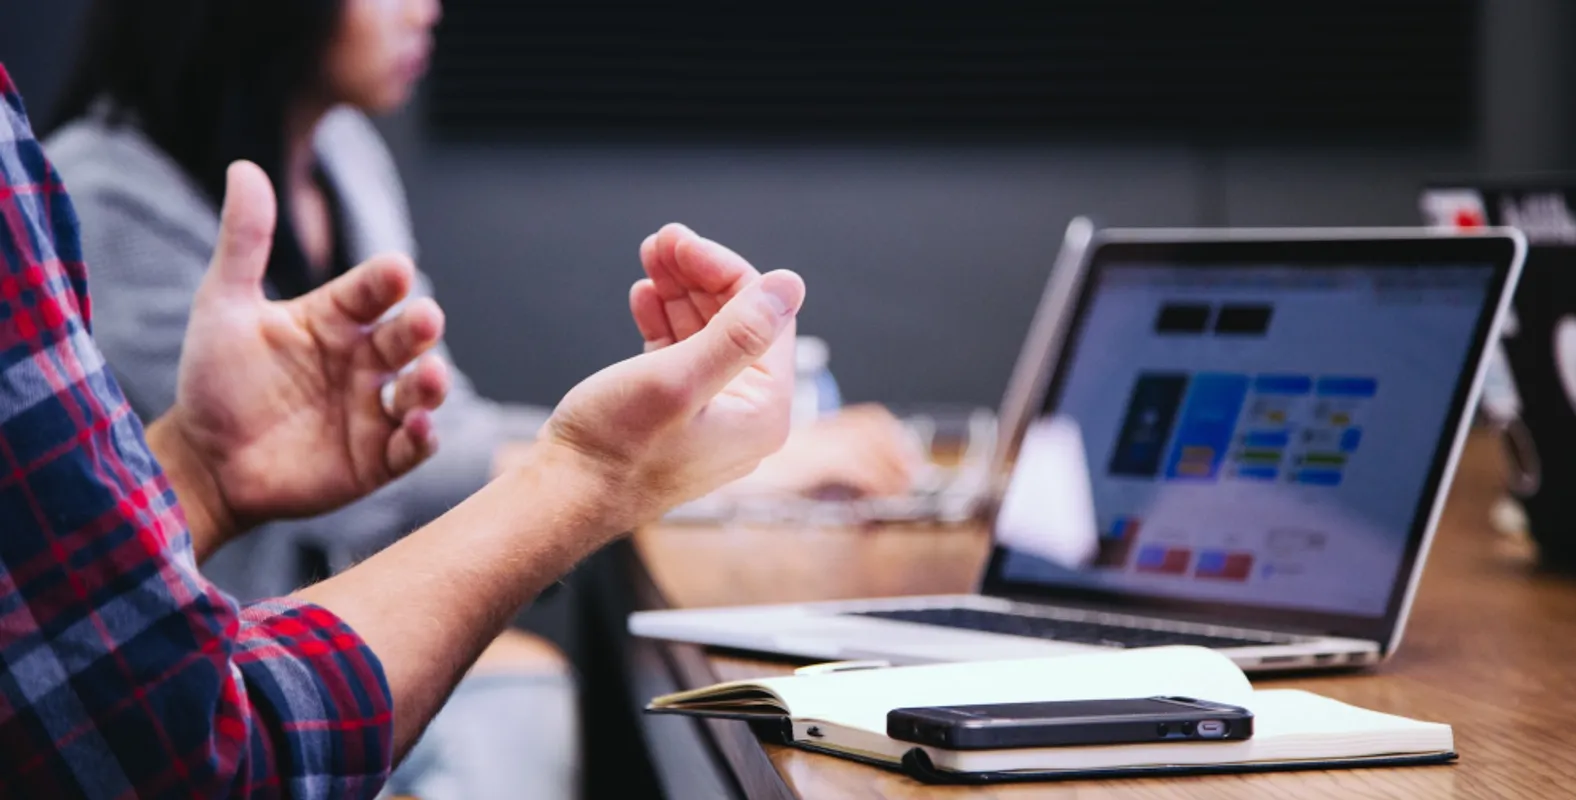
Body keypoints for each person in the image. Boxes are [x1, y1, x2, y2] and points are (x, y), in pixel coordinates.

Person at [0, 60, 807, 798]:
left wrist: (201, 472)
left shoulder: (344, 150)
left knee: (526, 702)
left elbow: (437, 426)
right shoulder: (103, 190)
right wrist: (594, 473)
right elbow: (184, 757)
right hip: (248, 695)